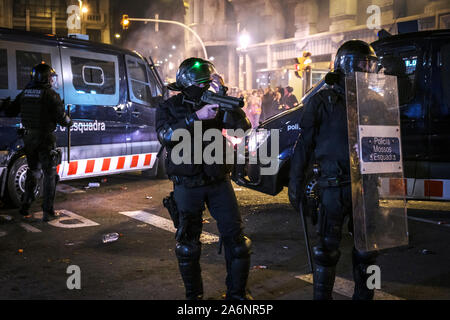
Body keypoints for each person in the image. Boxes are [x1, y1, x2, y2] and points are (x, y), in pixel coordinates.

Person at [288, 40, 379, 300]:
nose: (367, 69)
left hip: (365, 186)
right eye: (362, 64)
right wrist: (295, 185)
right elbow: (303, 146)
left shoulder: (374, 102)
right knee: (326, 250)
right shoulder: (322, 102)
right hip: (333, 185)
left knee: (369, 252)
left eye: (369, 64)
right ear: (346, 66)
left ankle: (365, 296)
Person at [156, 58, 253, 300]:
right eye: (203, 83)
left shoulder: (215, 103)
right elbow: (166, 135)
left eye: (209, 83)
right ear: (188, 83)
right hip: (187, 184)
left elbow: (241, 128)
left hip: (218, 181)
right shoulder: (170, 106)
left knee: (237, 242)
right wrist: (195, 117)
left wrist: (224, 98)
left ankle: (237, 296)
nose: (205, 88)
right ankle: (194, 297)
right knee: (188, 246)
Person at [1, 63, 72, 222]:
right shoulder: (50, 95)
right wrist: (69, 120)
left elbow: (11, 111)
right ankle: (48, 211)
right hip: (45, 139)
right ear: (44, 78)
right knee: (50, 175)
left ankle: (25, 206)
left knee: (33, 172)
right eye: (50, 77)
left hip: (28, 138)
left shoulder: (25, 93)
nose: (52, 81)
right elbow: (62, 119)